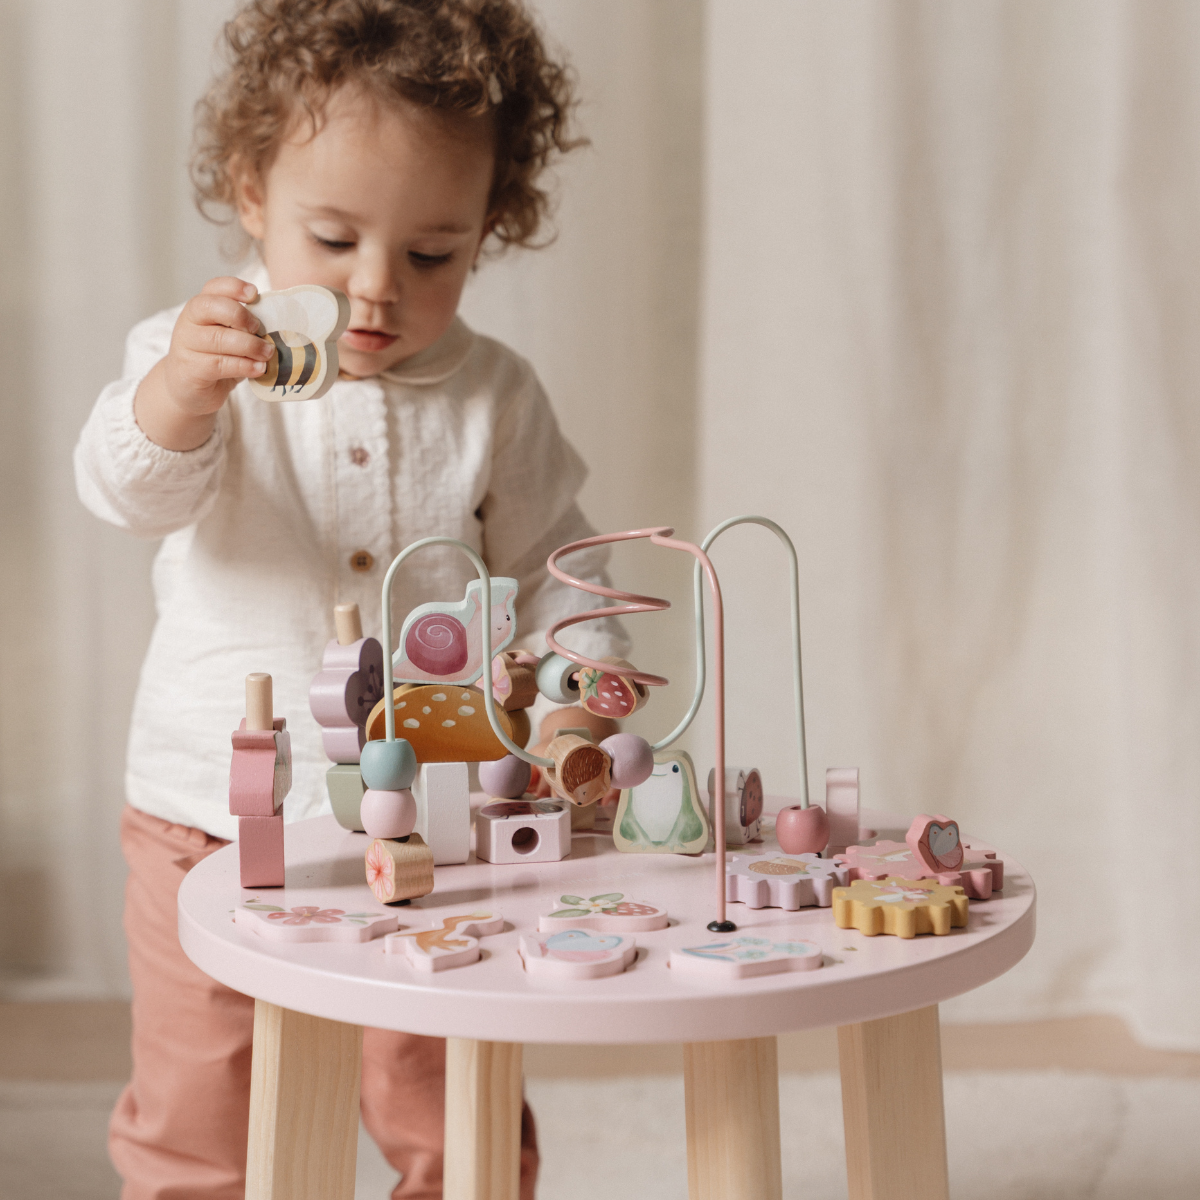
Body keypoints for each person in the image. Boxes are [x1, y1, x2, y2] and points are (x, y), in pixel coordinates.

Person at [73, 2, 626, 1197]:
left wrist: (582, 698)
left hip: (426, 828)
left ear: (491, 227)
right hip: (203, 813)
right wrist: (179, 395)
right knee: (199, 1104)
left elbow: (555, 570)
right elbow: (126, 491)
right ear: (251, 193)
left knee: (449, 1099)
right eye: (332, 239)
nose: (374, 290)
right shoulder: (198, 353)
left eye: (432, 255)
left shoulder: (494, 394)